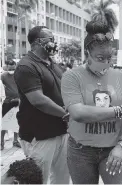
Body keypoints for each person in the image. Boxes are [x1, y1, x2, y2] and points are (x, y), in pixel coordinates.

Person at [60, 18, 122, 184]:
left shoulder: (119, 77)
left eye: (110, 57)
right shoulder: (72, 76)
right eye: (100, 58)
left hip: (113, 149)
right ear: (87, 53)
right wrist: (121, 110)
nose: (106, 63)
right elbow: (78, 113)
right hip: (80, 151)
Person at [14, 26, 70, 184]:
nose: (54, 42)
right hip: (40, 135)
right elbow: (38, 100)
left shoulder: (53, 64)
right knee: (38, 181)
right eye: (50, 39)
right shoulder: (26, 66)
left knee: (62, 180)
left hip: (62, 131)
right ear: (38, 42)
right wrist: (66, 114)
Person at [1, 60, 21, 150]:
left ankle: (15, 141)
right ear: (7, 67)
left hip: (17, 101)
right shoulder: (3, 76)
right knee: (5, 122)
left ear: (15, 67)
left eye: (13, 68)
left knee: (16, 122)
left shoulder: (19, 75)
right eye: (10, 68)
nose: (11, 70)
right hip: (7, 101)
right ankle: (1, 142)